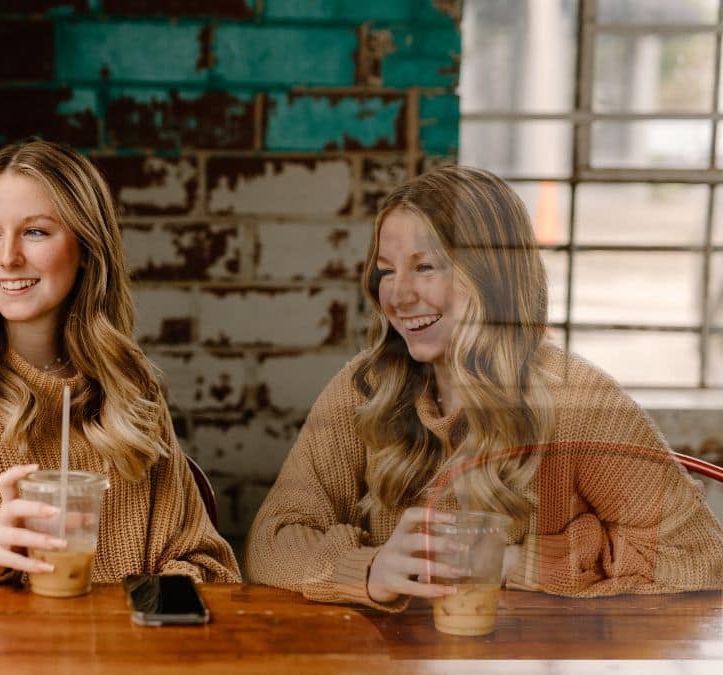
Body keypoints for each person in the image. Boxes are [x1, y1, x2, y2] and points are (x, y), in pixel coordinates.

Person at [244, 165, 723, 610]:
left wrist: (515, 563)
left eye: (426, 267)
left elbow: (700, 558)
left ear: (491, 276)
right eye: (387, 270)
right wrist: (369, 570)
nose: (399, 295)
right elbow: (272, 541)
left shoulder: (578, 398)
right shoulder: (364, 388)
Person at [0, 140, 240, 602]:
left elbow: (208, 564)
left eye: (35, 232)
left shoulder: (130, 385)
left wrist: (136, 619)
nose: (8, 257)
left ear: (88, 248)